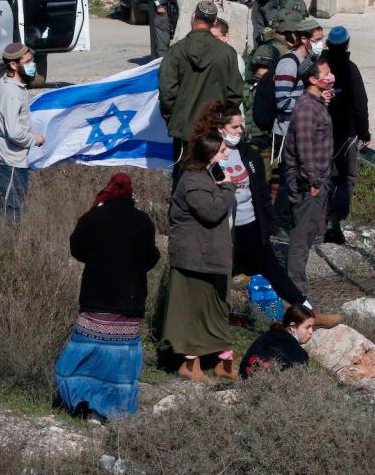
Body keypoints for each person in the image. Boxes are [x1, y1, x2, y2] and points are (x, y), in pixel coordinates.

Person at [192, 101, 341, 328]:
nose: (241, 131)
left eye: (241, 126)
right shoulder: (209, 154)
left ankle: (309, 313)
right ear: (221, 128)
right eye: (235, 127)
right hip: (224, 232)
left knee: (275, 272)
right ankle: (202, 320)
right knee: (216, 278)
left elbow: (261, 193)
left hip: (251, 226)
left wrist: (268, 226)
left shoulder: (249, 155)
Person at [55, 173, 160, 423]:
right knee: (119, 361)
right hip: (130, 302)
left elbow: (76, 249)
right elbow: (152, 257)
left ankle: (85, 402)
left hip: (96, 299)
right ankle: (116, 411)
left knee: (86, 355)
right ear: (130, 193)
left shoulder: (93, 218)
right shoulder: (143, 221)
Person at [159, 129, 237, 381]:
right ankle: (190, 364)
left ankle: (222, 362)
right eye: (222, 150)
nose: (227, 154)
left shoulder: (204, 177)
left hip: (210, 259)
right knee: (193, 312)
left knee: (215, 310)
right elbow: (211, 212)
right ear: (210, 154)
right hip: (195, 260)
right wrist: (227, 188)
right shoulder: (193, 181)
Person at [158, 0, 244, 175]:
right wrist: (221, 123)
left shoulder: (175, 51)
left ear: (193, 17)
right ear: (213, 22)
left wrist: (177, 119)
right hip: (214, 131)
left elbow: (167, 93)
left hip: (184, 132)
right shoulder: (227, 53)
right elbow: (235, 95)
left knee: (183, 181)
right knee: (213, 179)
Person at [282, 58, 336, 295]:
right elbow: (304, 147)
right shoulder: (306, 108)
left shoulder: (314, 104)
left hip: (317, 180)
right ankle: (295, 292)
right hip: (308, 183)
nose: (331, 75)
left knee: (309, 232)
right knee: (301, 238)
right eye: (326, 72)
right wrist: (313, 181)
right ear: (313, 79)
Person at [272, 16, 325, 235]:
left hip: (298, 131)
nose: (320, 43)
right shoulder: (288, 63)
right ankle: (281, 224)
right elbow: (282, 100)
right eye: (317, 39)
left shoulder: (307, 63)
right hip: (286, 133)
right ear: (304, 39)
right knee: (288, 181)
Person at [0, 42, 45, 222]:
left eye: (32, 60)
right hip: (9, 161)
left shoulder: (2, 83)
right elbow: (13, 132)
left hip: (0, 157)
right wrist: (34, 140)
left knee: (0, 208)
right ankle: (6, 248)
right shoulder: (12, 92)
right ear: (13, 65)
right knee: (11, 213)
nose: (31, 64)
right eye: (27, 61)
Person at [324, 26, 370, 244]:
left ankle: (321, 221)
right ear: (347, 44)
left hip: (321, 133)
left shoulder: (320, 68)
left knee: (325, 177)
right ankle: (335, 222)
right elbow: (360, 103)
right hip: (345, 134)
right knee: (346, 178)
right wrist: (364, 131)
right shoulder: (350, 69)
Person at [239, 303, 315, 379]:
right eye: (307, 327)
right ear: (293, 327)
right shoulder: (299, 354)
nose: (311, 331)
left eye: (312, 327)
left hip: (243, 381)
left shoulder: (268, 335)